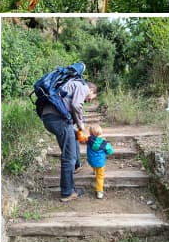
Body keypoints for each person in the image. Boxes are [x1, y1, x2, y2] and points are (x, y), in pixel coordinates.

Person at [39, 69, 98, 202]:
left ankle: (77, 165)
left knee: (73, 138)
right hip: (57, 119)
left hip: (49, 117)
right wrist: (81, 124)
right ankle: (67, 192)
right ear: (91, 91)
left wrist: (77, 127)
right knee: (68, 156)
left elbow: (69, 105)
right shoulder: (82, 86)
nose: (88, 101)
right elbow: (76, 105)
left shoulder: (72, 83)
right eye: (91, 98)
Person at [84, 123, 114, 199]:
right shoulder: (105, 143)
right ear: (100, 132)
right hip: (100, 163)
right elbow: (110, 152)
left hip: (91, 161)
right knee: (100, 177)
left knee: (94, 163)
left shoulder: (88, 140)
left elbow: (82, 139)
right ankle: (99, 192)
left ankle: (94, 170)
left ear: (90, 133)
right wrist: (106, 151)